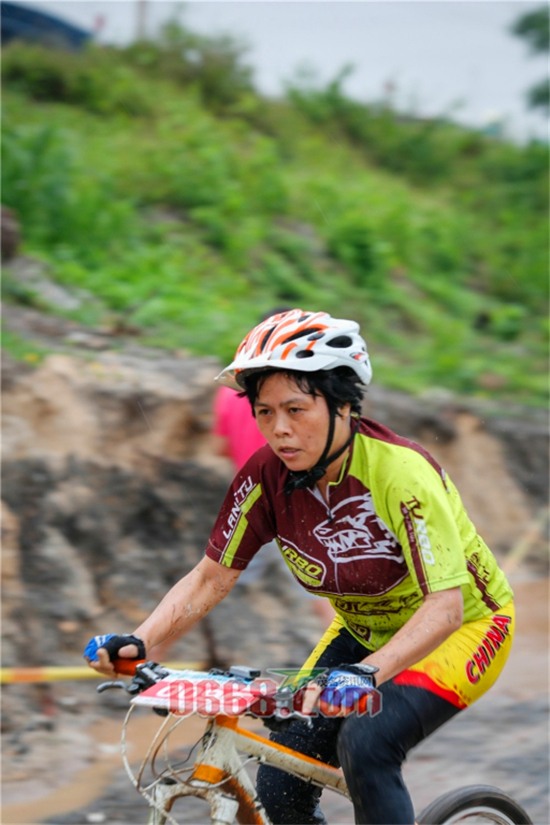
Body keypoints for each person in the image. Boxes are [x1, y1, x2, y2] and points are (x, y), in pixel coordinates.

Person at [86, 309, 514, 825]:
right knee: (280, 784)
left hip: (467, 627)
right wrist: (139, 641)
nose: (279, 430)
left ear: (343, 406)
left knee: (367, 743)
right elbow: (210, 577)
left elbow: (444, 608)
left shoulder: (402, 473)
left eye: (295, 409)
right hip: (363, 628)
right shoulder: (265, 476)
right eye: (264, 412)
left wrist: (366, 673)